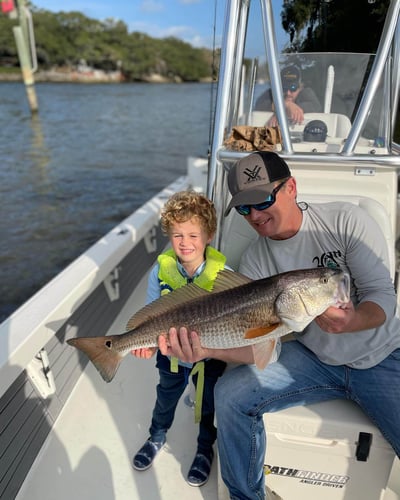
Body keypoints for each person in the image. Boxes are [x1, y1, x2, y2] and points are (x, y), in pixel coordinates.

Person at [158, 152, 400, 499]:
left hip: (383, 355)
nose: (255, 215)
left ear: (290, 187)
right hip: (313, 358)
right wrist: (206, 350)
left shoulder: (346, 221)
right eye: (244, 208)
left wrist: (352, 321)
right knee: (228, 395)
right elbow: (262, 344)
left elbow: (382, 296)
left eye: (262, 200)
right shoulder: (257, 259)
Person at [131, 190, 227, 487]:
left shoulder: (225, 276)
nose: (185, 243)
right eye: (177, 235)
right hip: (170, 358)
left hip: (209, 359)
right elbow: (149, 314)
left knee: (209, 404)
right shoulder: (159, 272)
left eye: (193, 235)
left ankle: (203, 449)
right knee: (165, 398)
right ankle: (157, 436)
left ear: (209, 235)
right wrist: (144, 344)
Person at [255, 65, 321, 126]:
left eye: (293, 88)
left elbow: (316, 106)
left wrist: (283, 111)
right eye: (284, 88)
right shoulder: (271, 93)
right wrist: (285, 105)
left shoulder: (305, 92)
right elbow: (259, 105)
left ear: (300, 87)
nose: (288, 93)